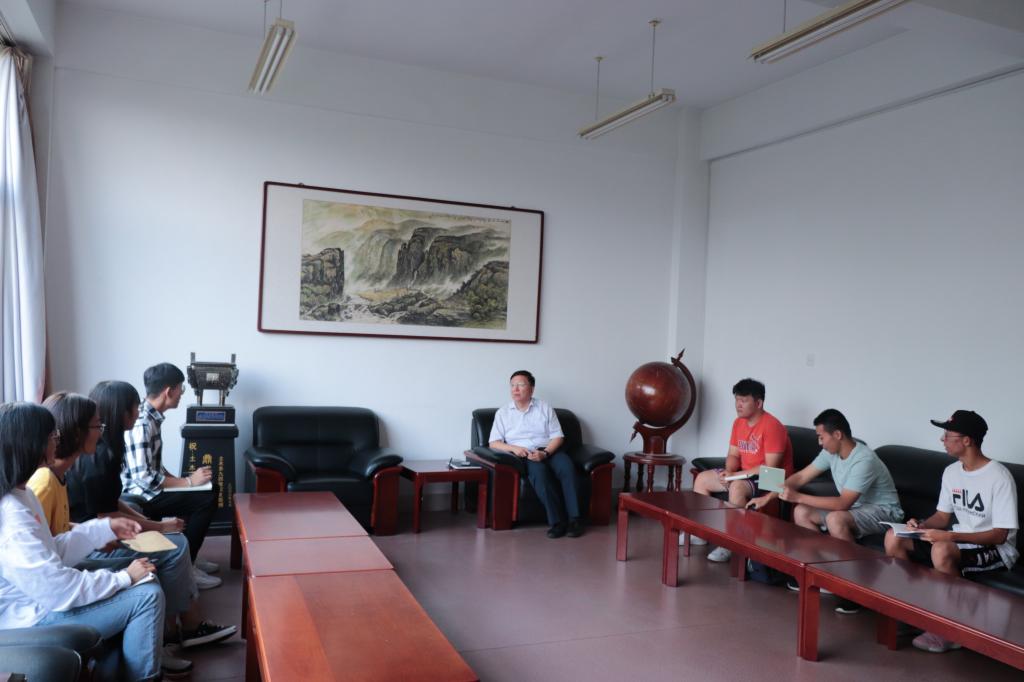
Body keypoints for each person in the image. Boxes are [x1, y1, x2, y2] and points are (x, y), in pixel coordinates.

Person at [48, 390, 235, 672]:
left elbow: (96, 512)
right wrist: (148, 533)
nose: (101, 430)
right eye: (97, 425)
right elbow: (58, 558)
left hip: (93, 542)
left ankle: (179, 623)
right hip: (85, 557)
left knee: (170, 541)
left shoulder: (69, 469)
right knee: (174, 549)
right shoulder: (63, 474)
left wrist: (111, 530)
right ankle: (181, 628)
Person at [0, 402, 164, 681]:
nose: (57, 441)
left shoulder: (22, 494)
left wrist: (104, 529)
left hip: (42, 602)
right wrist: (123, 578)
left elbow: (53, 550)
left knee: (146, 581)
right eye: (51, 436)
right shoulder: (13, 515)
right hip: (32, 617)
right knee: (147, 597)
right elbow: (58, 590)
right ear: (30, 443)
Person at [884, 410, 1018, 654]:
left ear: (967, 440)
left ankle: (951, 630)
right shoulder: (952, 472)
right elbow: (942, 517)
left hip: (996, 549)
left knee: (941, 549)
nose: (942, 440)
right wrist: (921, 525)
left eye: (947, 435)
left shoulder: (999, 477)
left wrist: (949, 536)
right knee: (894, 537)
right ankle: (913, 613)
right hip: (958, 540)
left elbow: (1000, 535)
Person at [775, 408, 903, 613]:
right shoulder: (830, 453)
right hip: (856, 509)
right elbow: (801, 477)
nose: (820, 443)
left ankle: (853, 590)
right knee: (801, 512)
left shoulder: (864, 459)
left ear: (837, 434)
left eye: (821, 437)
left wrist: (797, 496)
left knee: (836, 519)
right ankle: (822, 576)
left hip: (884, 512)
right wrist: (776, 491)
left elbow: (843, 504)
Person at [121, 363, 221, 588]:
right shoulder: (142, 423)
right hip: (141, 496)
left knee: (205, 490)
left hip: (151, 489)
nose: (181, 394)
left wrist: (187, 483)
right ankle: (187, 567)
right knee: (207, 498)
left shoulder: (152, 417)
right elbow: (144, 478)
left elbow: (155, 465)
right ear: (169, 391)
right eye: (181, 389)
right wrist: (188, 481)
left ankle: (188, 556)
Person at [690, 378, 793, 562]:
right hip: (746, 474)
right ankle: (700, 533)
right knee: (702, 479)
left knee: (737, 487)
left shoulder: (772, 426)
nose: (738, 405)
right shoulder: (739, 423)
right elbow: (733, 455)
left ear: (759, 403)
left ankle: (730, 544)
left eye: (744, 400)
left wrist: (734, 476)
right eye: (737, 400)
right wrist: (727, 472)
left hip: (773, 477)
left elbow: (770, 468)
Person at [488, 370, 583, 539]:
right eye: (512, 385)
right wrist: (514, 448)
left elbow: (558, 437)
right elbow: (493, 442)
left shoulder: (544, 408)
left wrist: (545, 453)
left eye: (521, 385)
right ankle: (557, 522)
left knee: (567, 467)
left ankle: (575, 520)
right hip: (526, 455)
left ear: (531, 389)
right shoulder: (503, 413)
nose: (515, 389)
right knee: (540, 475)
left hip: (549, 450)